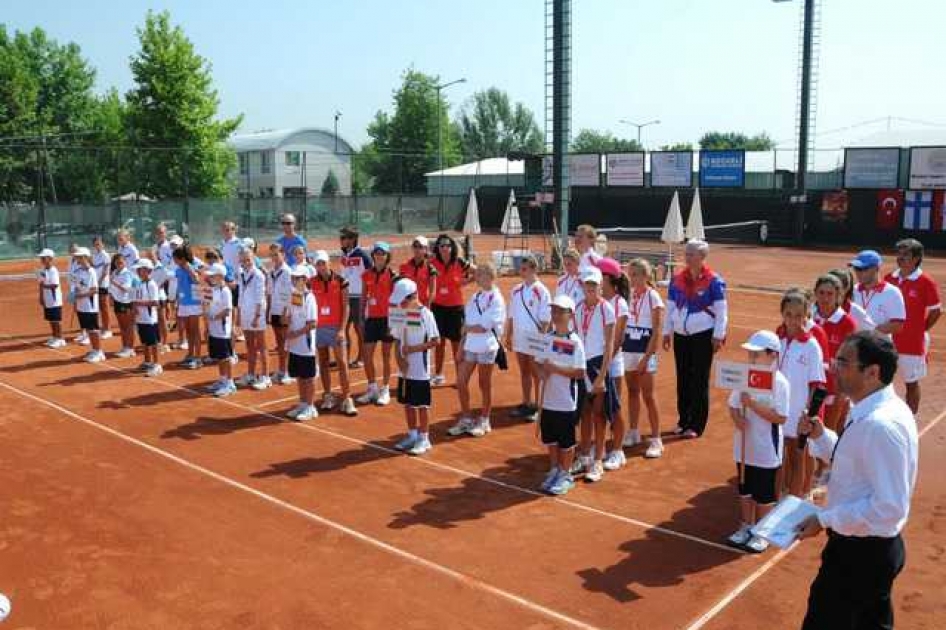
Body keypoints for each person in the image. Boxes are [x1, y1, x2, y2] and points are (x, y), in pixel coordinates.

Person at [798, 331, 918, 630]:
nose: (834, 367)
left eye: (843, 362)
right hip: (863, 549)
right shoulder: (869, 409)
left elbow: (889, 507)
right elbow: (853, 461)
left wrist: (825, 519)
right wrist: (820, 436)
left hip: (862, 556)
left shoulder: (880, 425)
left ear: (872, 372)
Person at [726, 330, 789, 554]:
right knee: (745, 489)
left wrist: (752, 405)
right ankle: (746, 526)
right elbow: (733, 404)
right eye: (750, 354)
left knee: (764, 493)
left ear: (772, 355)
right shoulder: (745, 376)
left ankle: (762, 532)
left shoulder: (779, 383)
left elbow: (781, 417)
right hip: (744, 446)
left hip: (766, 449)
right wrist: (737, 418)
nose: (751, 358)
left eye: (756, 354)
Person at [662, 239, 729, 438]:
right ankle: (684, 420)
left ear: (702, 257)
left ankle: (696, 424)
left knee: (699, 379)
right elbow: (670, 307)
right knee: (683, 377)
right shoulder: (676, 280)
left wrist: (718, 335)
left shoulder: (714, 281)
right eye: (687, 253)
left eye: (691, 254)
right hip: (681, 335)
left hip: (703, 335)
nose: (687, 257)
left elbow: (721, 311)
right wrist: (667, 331)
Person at [778, 290, 826, 498]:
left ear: (807, 316)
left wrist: (808, 412)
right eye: (789, 314)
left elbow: (816, 384)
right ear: (782, 314)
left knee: (798, 457)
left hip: (798, 412)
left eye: (799, 315)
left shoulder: (811, 345)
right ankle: (777, 498)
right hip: (776, 409)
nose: (793, 320)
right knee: (778, 458)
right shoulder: (775, 339)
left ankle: (795, 500)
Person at [884, 238, 941, 415]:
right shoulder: (889, 279)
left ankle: (910, 420)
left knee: (911, 383)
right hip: (887, 342)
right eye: (899, 254)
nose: (900, 258)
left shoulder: (925, 282)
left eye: (905, 254)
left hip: (912, 344)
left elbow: (935, 311)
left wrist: (920, 330)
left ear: (916, 258)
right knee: (882, 382)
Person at [537, 294, 586, 496]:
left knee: (566, 441)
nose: (555, 315)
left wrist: (555, 368)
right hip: (548, 399)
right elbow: (539, 364)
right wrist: (542, 372)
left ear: (570, 315)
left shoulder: (575, 342)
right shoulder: (547, 338)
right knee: (550, 438)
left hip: (566, 401)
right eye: (554, 310)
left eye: (560, 311)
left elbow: (580, 372)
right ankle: (555, 469)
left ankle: (566, 475)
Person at [451, 262, 506, 438]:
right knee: (461, 381)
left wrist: (467, 329)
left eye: (481, 273)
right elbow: (467, 324)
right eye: (477, 273)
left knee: (484, 383)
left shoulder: (496, 298)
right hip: (470, 346)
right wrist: (461, 346)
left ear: (490, 276)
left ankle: (485, 420)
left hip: (487, 346)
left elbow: (483, 327)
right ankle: (466, 418)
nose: (477, 277)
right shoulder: (475, 297)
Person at [574, 266, 618, 483]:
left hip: (598, 364)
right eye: (587, 285)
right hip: (580, 365)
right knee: (584, 412)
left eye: (594, 285)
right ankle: (584, 454)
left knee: (599, 415)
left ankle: (598, 460)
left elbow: (609, 344)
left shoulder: (606, 309)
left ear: (601, 286)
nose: (590, 289)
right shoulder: (578, 307)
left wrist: (602, 376)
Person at [391, 278, 441, 456]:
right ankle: (412, 435)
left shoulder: (426, 314)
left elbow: (436, 341)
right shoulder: (401, 312)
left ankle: (424, 438)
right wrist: (400, 360)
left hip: (420, 370)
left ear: (413, 296)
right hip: (405, 370)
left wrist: (413, 349)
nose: (401, 304)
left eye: (403, 300)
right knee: (408, 404)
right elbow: (397, 340)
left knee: (421, 405)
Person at [623, 258, 666, 459]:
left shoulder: (654, 298)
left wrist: (646, 357)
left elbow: (657, 331)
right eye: (630, 274)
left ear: (646, 276)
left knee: (648, 395)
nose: (631, 278)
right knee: (632, 391)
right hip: (628, 349)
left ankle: (656, 439)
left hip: (645, 350)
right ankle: (633, 431)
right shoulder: (628, 295)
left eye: (635, 275)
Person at [311, 250, 357, 416]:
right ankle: (328, 395)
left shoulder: (341, 281)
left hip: (336, 329)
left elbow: (346, 306)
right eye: (318, 264)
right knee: (323, 362)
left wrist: (342, 329)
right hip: (319, 328)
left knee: (342, 363)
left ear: (329, 263)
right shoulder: (311, 282)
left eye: (323, 263)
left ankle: (347, 399)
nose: (321, 267)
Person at [506, 255, 551, 422]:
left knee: (536, 373)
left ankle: (540, 406)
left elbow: (546, 318)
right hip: (519, 337)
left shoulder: (542, 291)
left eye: (524, 269)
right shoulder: (516, 289)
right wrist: (508, 334)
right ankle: (527, 402)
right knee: (524, 371)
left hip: (534, 338)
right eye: (521, 269)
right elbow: (511, 314)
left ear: (533, 269)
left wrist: (541, 340)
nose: (521, 272)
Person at [597, 257, 631, 470]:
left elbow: (618, 339)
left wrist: (605, 363)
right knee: (597, 409)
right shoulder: (599, 301)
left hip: (612, 364)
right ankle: (598, 447)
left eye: (599, 275)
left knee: (614, 408)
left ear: (607, 278)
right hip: (595, 363)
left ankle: (618, 450)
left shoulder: (620, 304)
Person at [812, 274, 857, 433]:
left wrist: (841, 395)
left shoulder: (847, 323)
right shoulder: (807, 317)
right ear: (815, 293)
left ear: (839, 296)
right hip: (810, 386)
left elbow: (849, 362)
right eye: (821, 292)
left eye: (830, 294)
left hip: (834, 389)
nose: (825, 298)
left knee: (828, 435)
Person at [430, 233, 474, 386]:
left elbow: (475, 272)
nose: (444, 248)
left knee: (457, 344)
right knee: (439, 342)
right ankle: (438, 375)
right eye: (441, 245)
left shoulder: (460, 262)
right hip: (437, 308)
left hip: (455, 308)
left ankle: (459, 377)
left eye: (447, 245)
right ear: (438, 248)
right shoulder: (432, 262)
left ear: (452, 247)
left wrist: (463, 283)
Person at [356, 242, 397, 406]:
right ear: (373, 255)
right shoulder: (366, 274)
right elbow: (364, 297)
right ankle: (372, 388)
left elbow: (397, 299)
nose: (379, 256)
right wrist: (360, 317)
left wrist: (393, 320)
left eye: (383, 253)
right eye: (377, 253)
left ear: (387, 256)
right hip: (371, 319)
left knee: (386, 356)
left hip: (388, 319)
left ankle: (385, 389)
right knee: (367, 355)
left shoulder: (393, 275)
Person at [285, 266, 319, 421]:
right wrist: (286, 318)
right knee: (299, 375)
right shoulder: (294, 295)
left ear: (305, 280)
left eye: (297, 278)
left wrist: (295, 334)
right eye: (293, 278)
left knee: (308, 377)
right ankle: (302, 403)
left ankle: (311, 407)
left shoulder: (310, 298)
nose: (294, 280)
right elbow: (290, 317)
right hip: (294, 345)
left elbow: (312, 323)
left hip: (305, 345)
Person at [236, 247, 271, 390]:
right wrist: (239, 314)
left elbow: (260, 298)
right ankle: (251, 374)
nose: (246, 262)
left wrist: (257, 316)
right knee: (249, 346)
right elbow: (240, 294)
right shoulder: (241, 274)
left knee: (262, 346)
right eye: (243, 260)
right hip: (245, 313)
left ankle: (265, 377)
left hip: (257, 315)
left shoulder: (259, 275)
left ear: (253, 259)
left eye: (248, 260)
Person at [850, 250, 905, 338]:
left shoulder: (892, 292)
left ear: (876, 268)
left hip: (879, 348)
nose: (858, 273)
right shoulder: (852, 291)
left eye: (863, 269)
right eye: (856, 268)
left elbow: (897, 325)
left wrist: (869, 335)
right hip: (855, 347)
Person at [338, 226, 372, 368]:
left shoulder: (363, 255)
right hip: (345, 296)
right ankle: (345, 357)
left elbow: (370, 274)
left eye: (344, 238)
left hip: (358, 297)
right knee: (344, 328)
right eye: (341, 237)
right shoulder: (344, 255)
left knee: (359, 328)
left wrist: (367, 295)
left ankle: (361, 358)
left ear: (352, 239)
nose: (341, 240)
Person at [203, 265, 236, 397]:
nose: (210, 277)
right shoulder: (212, 289)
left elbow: (227, 310)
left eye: (213, 275)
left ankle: (230, 383)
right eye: (210, 275)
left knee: (225, 358)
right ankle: (222, 380)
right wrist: (207, 316)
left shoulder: (225, 291)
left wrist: (213, 317)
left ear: (220, 276)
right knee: (219, 357)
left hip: (223, 331)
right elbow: (207, 305)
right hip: (213, 329)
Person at [172, 245, 204, 370]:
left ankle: (198, 358)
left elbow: (197, 280)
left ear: (182, 259)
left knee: (195, 331)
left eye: (175, 258)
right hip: (183, 303)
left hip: (193, 303)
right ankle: (190, 354)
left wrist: (188, 267)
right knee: (189, 331)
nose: (174, 261)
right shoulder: (178, 269)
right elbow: (180, 285)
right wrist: (178, 300)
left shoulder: (191, 267)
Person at [71, 247, 105, 363]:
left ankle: (99, 351)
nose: (77, 259)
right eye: (77, 257)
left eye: (80, 257)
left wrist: (80, 296)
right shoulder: (78, 271)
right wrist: (74, 295)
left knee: (93, 329)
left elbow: (94, 290)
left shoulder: (91, 272)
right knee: (88, 329)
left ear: (85, 257)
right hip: (81, 306)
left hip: (90, 306)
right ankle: (94, 349)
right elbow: (76, 286)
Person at [266, 243, 294, 386]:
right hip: (275, 311)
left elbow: (289, 295)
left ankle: (288, 371)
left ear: (283, 255)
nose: (274, 258)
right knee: (279, 342)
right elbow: (269, 293)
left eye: (276, 254)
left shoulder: (288, 272)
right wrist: (269, 311)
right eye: (272, 255)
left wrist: (285, 313)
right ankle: (281, 370)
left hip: (284, 312)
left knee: (286, 343)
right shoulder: (271, 273)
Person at [132, 258, 162, 377]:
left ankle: (157, 364)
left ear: (148, 271)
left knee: (153, 342)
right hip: (141, 318)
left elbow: (155, 303)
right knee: (145, 342)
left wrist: (139, 304)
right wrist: (135, 306)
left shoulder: (152, 284)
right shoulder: (139, 283)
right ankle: (147, 361)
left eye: (141, 269)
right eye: (138, 270)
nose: (138, 271)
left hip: (150, 319)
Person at [220, 221, 244, 343]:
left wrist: (236, 277)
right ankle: (230, 328)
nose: (227, 231)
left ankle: (236, 329)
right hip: (225, 279)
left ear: (234, 230)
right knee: (227, 303)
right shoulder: (222, 244)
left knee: (236, 306)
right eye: (225, 229)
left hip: (236, 279)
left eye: (230, 229)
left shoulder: (239, 244)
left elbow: (242, 261)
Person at [109, 253, 136, 359]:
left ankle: (130, 348)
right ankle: (125, 347)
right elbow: (111, 287)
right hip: (117, 301)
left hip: (126, 302)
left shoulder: (128, 274)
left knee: (128, 326)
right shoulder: (114, 272)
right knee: (122, 326)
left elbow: (125, 289)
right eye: (116, 262)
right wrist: (111, 296)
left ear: (125, 262)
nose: (118, 264)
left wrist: (114, 282)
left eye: (120, 262)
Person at [828, 267, 873, 331]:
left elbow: (873, 335)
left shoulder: (857, 312)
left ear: (846, 288)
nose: (830, 290)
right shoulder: (814, 309)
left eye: (836, 287)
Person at [36, 249, 65, 348]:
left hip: (55, 299)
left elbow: (55, 285)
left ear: (50, 259)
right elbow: (40, 283)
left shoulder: (54, 270)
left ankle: (60, 338)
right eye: (41, 258)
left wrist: (44, 286)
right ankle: (54, 336)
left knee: (56, 320)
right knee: (51, 319)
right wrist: (41, 296)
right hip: (47, 298)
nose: (42, 259)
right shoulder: (42, 270)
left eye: (44, 258)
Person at [398, 235, 438, 306]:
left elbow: (432, 292)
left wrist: (427, 305)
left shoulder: (431, 268)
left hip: (422, 306)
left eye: (420, 247)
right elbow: (401, 289)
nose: (417, 249)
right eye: (415, 246)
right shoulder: (403, 267)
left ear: (426, 249)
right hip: (407, 306)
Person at [91, 236, 113, 339]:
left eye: (99, 244)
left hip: (103, 284)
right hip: (97, 284)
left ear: (102, 244)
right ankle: (103, 328)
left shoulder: (105, 255)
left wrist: (98, 282)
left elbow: (105, 272)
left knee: (105, 307)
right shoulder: (94, 255)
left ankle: (108, 329)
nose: (97, 246)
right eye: (95, 244)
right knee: (99, 307)